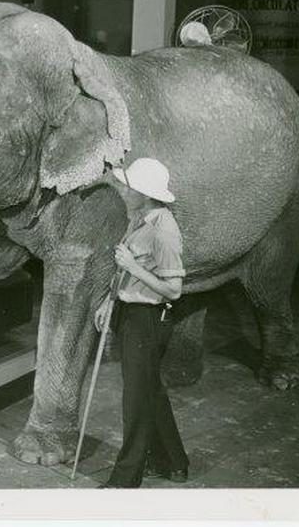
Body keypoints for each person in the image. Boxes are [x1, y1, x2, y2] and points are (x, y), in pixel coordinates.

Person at [95, 157, 189, 488]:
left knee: (135, 400)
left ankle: (125, 479)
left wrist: (133, 268)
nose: (124, 190)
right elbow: (126, 268)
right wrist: (111, 299)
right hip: (132, 313)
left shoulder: (164, 231)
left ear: (145, 194)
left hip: (149, 319)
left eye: (129, 187)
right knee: (149, 391)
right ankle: (174, 462)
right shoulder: (142, 219)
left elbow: (174, 290)